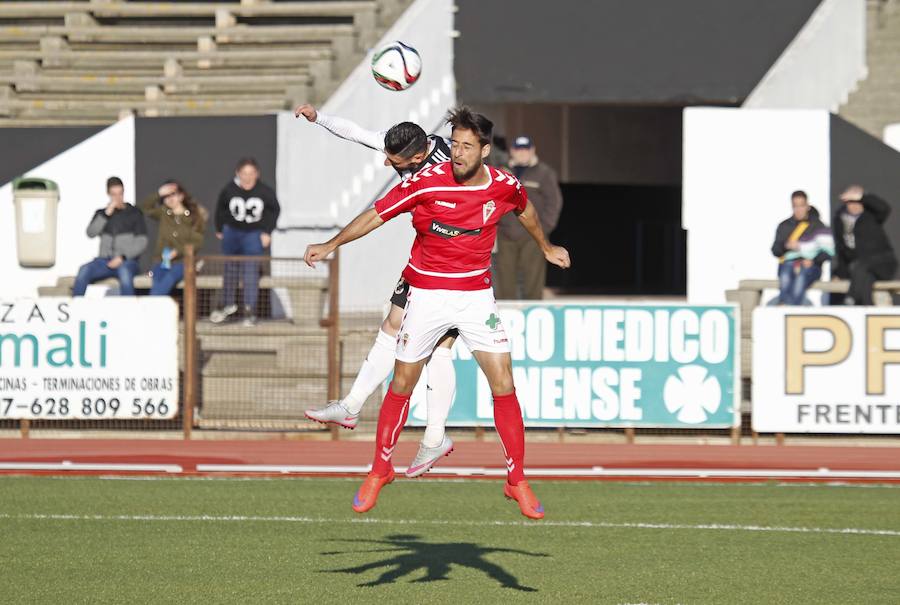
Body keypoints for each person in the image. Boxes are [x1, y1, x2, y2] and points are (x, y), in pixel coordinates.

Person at [304, 107, 571, 519]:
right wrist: (330, 244)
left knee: (503, 382)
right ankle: (380, 469)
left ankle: (516, 479)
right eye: (456, 144)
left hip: (476, 296)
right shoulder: (424, 183)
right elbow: (375, 215)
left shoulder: (504, 184)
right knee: (403, 381)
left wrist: (546, 247)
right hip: (426, 294)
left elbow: (527, 211)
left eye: (466, 146)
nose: (458, 153)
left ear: (484, 150)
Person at [295, 103, 459, 476]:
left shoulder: (449, 169)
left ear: (418, 156)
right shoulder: (410, 149)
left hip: (458, 267)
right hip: (425, 260)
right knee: (392, 324)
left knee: (439, 349)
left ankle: (435, 437)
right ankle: (351, 406)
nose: (387, 165)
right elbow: (358, 133)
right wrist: (319, 118)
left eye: (394, 161)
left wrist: (331, 244)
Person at [210, 157, 280, 326]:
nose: (247, 178)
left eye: (251, 174)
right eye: (244, 174)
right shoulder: (229, 190)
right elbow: (220, 209)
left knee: (250, 271)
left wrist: (266, 231)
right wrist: (220, 229)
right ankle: (228, 305)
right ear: (238, 174)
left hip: (253, 233)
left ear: (257, 174)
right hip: (233, 233)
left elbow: (274, 210)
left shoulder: (265, 191)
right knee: (230, 269)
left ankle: (250, 310)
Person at [494, 135, 563, 300]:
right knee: (505, 284)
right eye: (518, 149)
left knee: (533, 282)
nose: (522, 153)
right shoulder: (501, 172)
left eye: (526, 149)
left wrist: (543, 229)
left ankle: (533, 315)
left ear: (532, 150)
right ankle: (505, 320)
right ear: (512, 151)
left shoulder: (544, 173)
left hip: (533, 236)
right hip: (505, 235)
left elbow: (554, 202)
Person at [73, 176, 147, 296]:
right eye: (114, 194)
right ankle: (75, 309)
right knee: (84, 270)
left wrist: (122, 257)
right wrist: (106, 214)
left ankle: (128, 311)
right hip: (104, 262)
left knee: (125, 273)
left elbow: (142, 241)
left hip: (126, 261)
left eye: (120, 194)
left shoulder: (134, 213)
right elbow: (91, 233)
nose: (118, 198)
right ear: (108, 194)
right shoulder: (102, 214)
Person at [139, 179, 207, 296]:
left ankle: (151, 307)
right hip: (162, 262)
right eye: (166, 196)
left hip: (183, 262)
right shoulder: (164, 213)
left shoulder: (194, 217)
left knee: (169, 279)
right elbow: (144, 208)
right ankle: (154, 308)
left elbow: (197, 242)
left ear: (181, 196)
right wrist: (159, 193)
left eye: (173, 195)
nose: (170, 199)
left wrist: (178, 251)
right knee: (158, 281)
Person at [832, 185, 897, 305]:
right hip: (862, 270)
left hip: (882, 264)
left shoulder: (870, 216)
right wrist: (839, 273)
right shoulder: (840, 220)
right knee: (866, 280)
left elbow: (884, 208)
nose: (855, 205)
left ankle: (850, 298)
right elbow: (842, 250)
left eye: (858, 202)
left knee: (862, 265)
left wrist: (863, 196)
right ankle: (866, 309)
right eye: (851, 202)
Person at [770, 190, 833, 305]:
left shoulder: (818, 226)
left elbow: (828, 252)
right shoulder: (784, 226)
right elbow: (775, 250)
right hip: (789, 264)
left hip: (811, 266)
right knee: (785, 277)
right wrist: (786, 245)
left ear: (807, 206)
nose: (799, 210)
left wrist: (813, 260)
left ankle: (789, 308)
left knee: (801, 278)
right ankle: (786, 306)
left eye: (801, 206)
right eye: (795, 206)